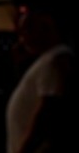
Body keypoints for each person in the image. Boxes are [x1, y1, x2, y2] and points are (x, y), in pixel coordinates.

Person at [6, 9, 75, 153]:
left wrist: (25, 149)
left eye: (26, 31)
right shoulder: (46, 59)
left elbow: (48, 111)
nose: (22, 40)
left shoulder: (56, 59)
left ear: (45, 28)